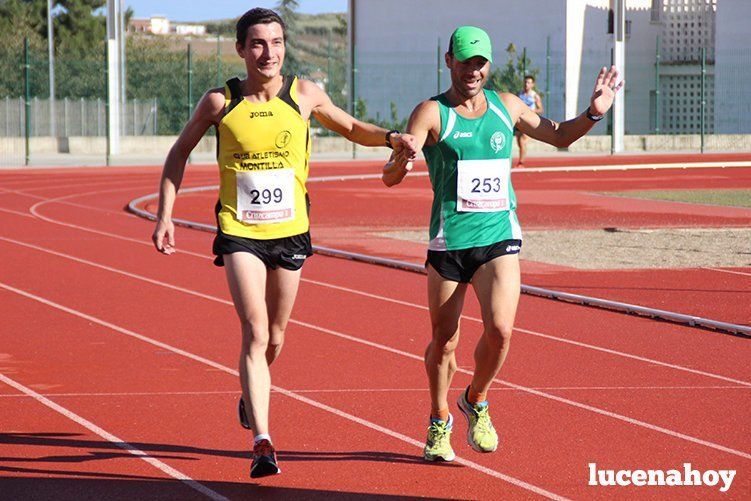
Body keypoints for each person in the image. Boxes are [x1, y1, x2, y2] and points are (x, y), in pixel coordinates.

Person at [151, 8, 416, 478]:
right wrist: (165, 214)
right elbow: (179, 152)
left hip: (291, 232)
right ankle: (263, 442)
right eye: (257, 43)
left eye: (275, 42)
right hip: (240, 232)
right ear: (240, 49)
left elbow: (353, 128)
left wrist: (393, 137)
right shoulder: (220, 101)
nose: (267, 52)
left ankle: (250, 392)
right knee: (254, 332)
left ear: (284, 47)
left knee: (275, 337)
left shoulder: (305, 95)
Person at [382, 26, 622, 462]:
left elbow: (561, 136)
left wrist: (594, 113)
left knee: (501, 329)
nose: (473, 70)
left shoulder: (507, 106)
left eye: (480, 62)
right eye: (465, 61)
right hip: (449, 243)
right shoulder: (432, 112)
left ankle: (476, 398)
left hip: (499, 237)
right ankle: (439, 420)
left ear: (488, 65)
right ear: (449, 61)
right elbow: (390, 175)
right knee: (445, 340)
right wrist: (403, 155)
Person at [515, 75, 544, 167]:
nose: (526, 84)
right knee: (519, 142)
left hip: (529, 122)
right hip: (519, 122)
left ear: (532, 84)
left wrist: (531, 111)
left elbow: (541, 109)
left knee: (523, 140)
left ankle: (521, 163)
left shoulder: (535, 96)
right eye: (525, 82)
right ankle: (521, 159)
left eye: (528, 82)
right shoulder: (520, 94)